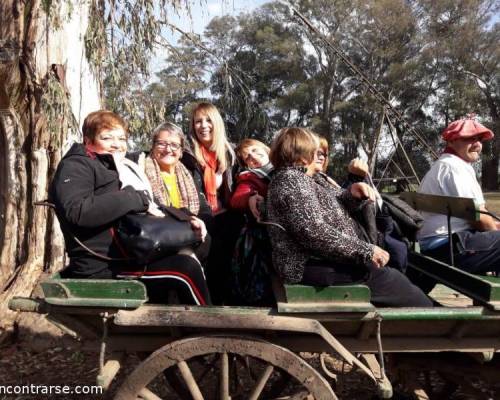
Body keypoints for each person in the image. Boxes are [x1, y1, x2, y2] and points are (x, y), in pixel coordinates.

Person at [50, 110, 211, 305]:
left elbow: (150, 203)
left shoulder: (116, 166)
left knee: (202, 242)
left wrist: (187, 217)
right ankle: (208, 327)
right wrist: (133, 197)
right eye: (107, 137)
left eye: (122, 138)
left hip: (128, 254)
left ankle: (190, 321)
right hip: (104, 264)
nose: (117, 144)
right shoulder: (77, 165)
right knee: (184, 270)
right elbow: (78, 211)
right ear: (88, 140)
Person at [266, 127, 432, 307]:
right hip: (310, 264)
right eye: (316, 151)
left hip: (324, 258)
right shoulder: (292, 180)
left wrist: (352, 194)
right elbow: (313, 231)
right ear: (303, 154)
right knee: (393, 282)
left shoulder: (310, 179)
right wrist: (365, 251)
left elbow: (333, 202)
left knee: (395, 278)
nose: (319, 155)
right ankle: (429, 318)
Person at [417, 117, 500, 275]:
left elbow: (477, 216)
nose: (477, 144)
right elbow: (477, 218)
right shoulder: (455, 168)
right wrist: (494, 232)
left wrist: (494, 228)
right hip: (448, 248)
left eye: (479, 139)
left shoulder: (445, 164)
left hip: (439, 244)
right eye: (469, 138)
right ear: (452, 141)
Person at [182, 102, 244, 303]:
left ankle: (231, 301)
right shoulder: (187, 154)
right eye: (198, 121)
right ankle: (207, 303)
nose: (203, 125)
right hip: (200, 214)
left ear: (216, 123)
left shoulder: (231, 153)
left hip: (228, 215)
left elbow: (242, 182)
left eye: (208, 120)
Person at [229, 139, 274, 305]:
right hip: (262, 237)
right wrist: (250, 197)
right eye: (247, 157)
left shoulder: (283, 168)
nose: (253, 156)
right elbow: (237, 199)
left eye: (255, 150)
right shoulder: (249, 178)